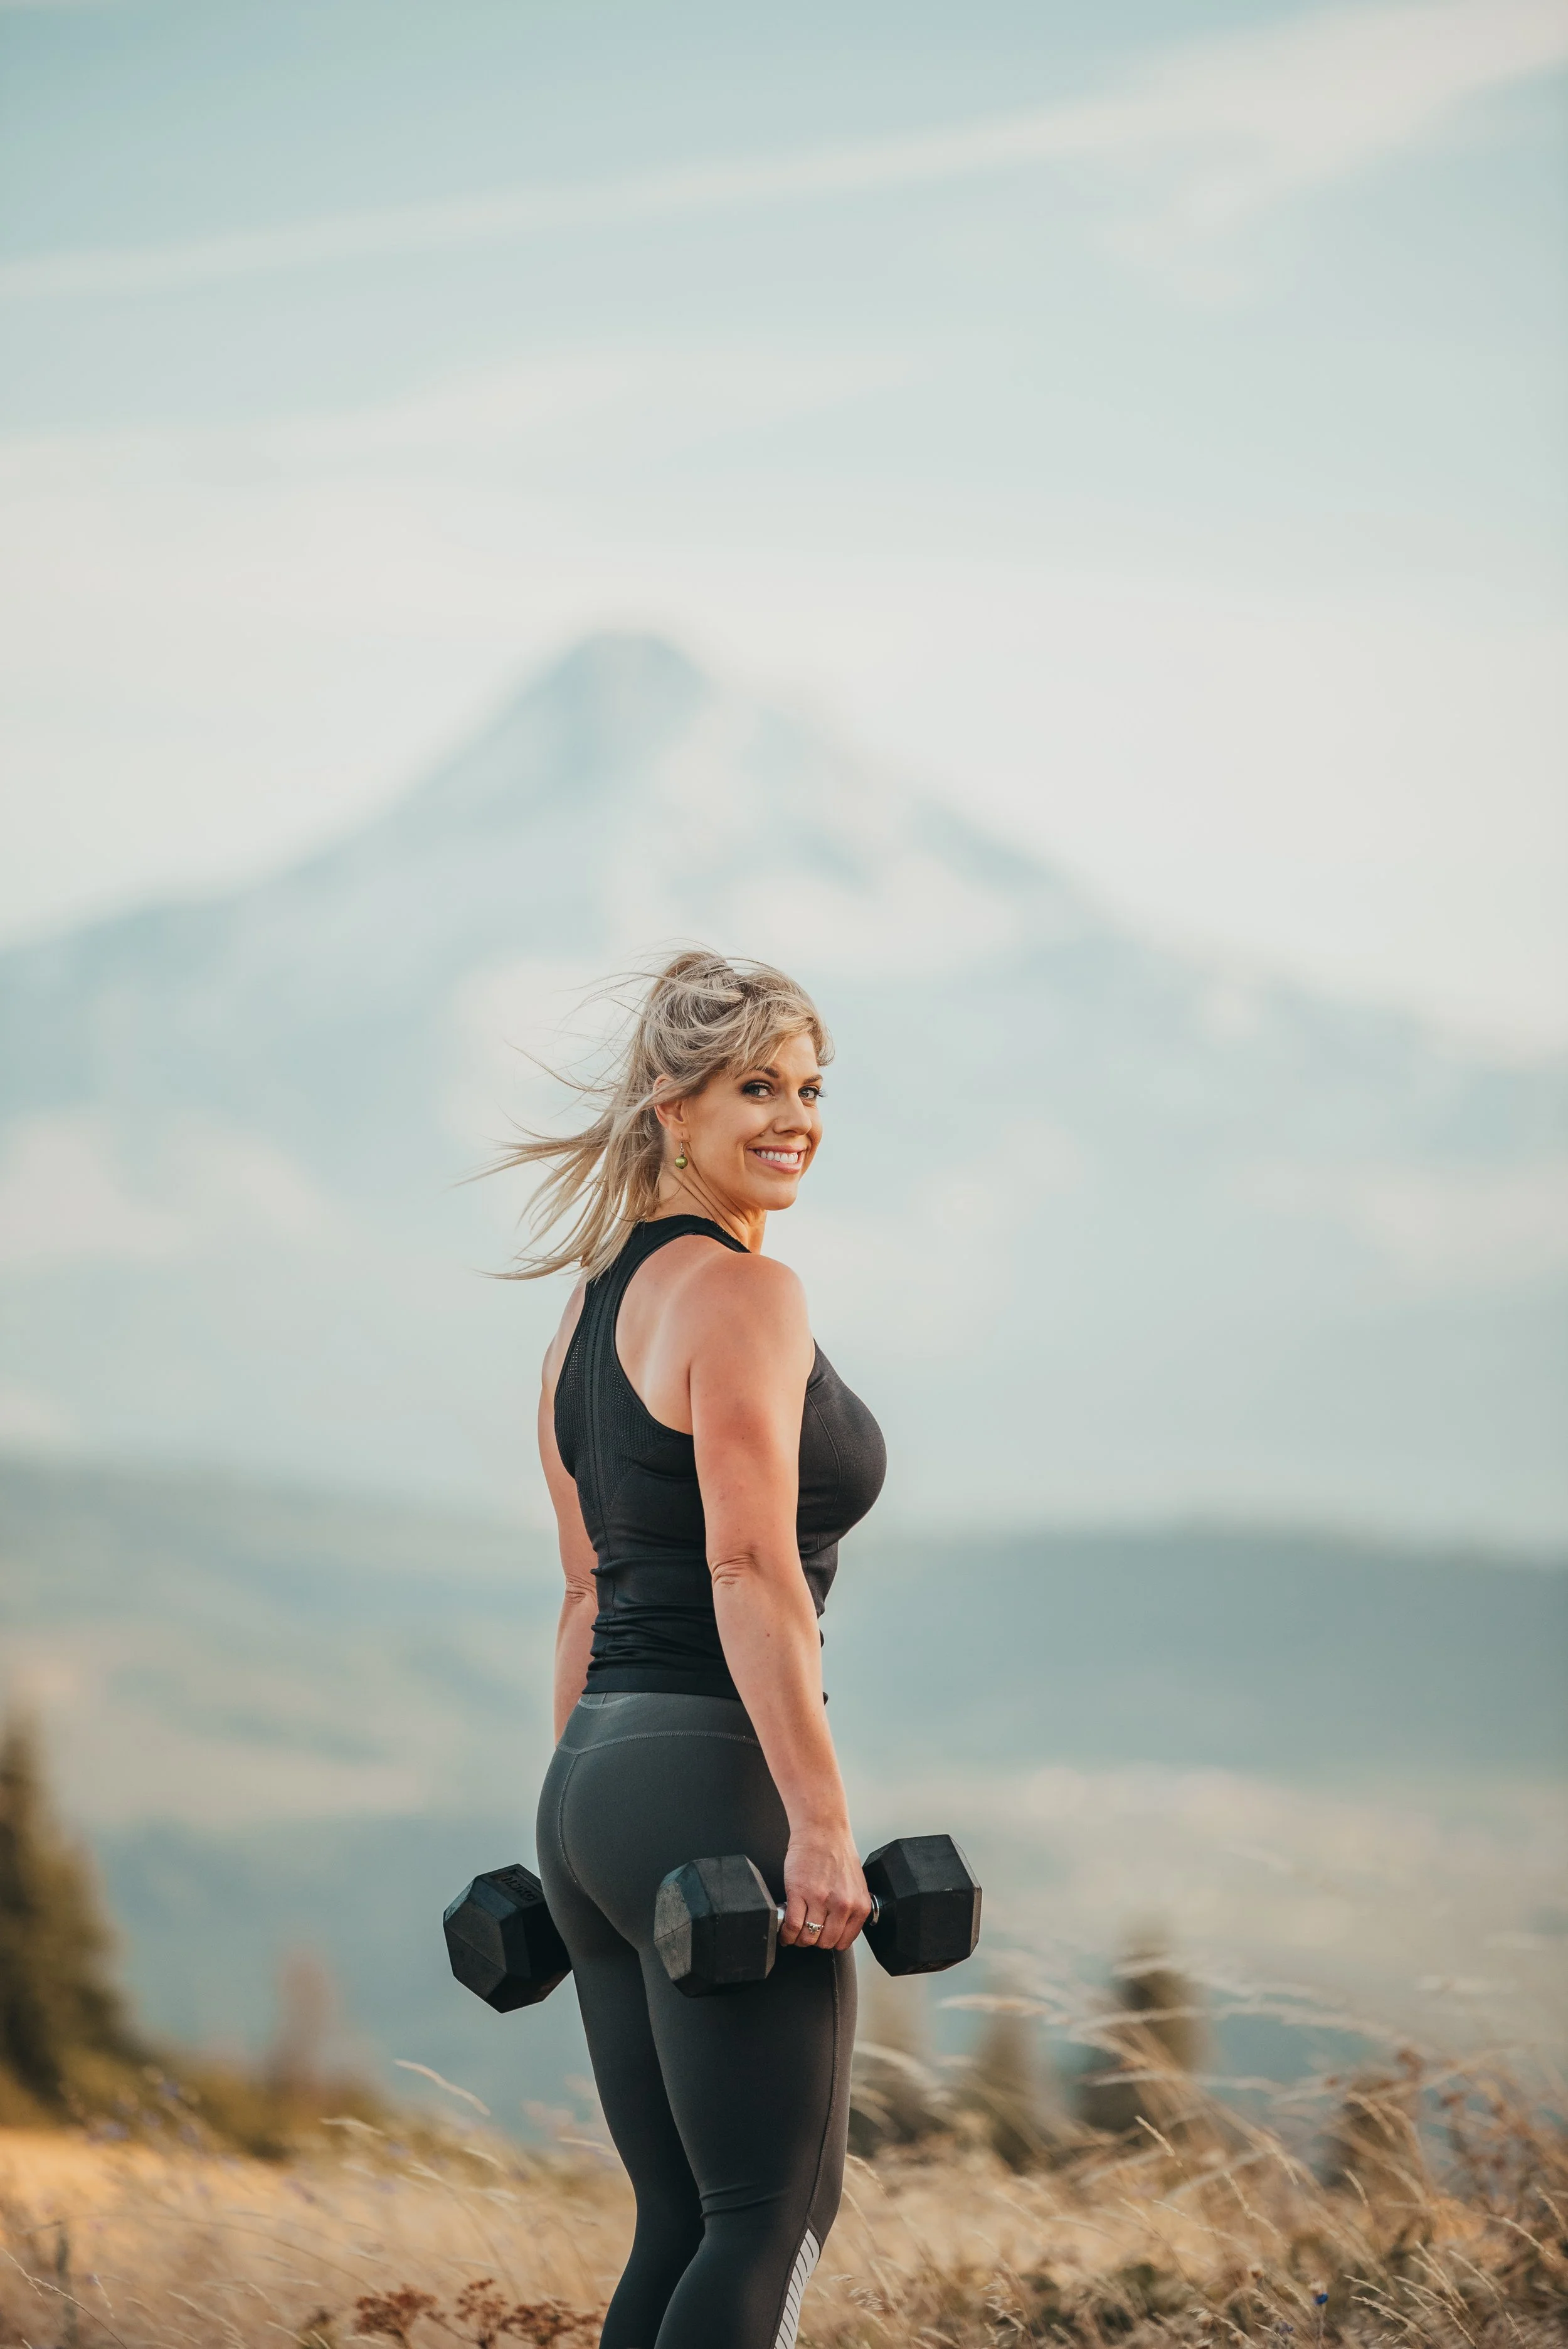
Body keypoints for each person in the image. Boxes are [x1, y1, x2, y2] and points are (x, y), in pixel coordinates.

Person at [506, 950, 886, 2349]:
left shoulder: (580, 1320)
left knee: (681, 2217)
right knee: (769, 2215)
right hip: (709, 1775)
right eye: (754, 1087)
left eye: (808, 1087)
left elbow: (583, 1599)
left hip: (594, 1785)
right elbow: (744, 1561)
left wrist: (571, 1836)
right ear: (670, 1105)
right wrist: (821, 1824)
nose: (793, 1117)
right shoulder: (741, 1298)